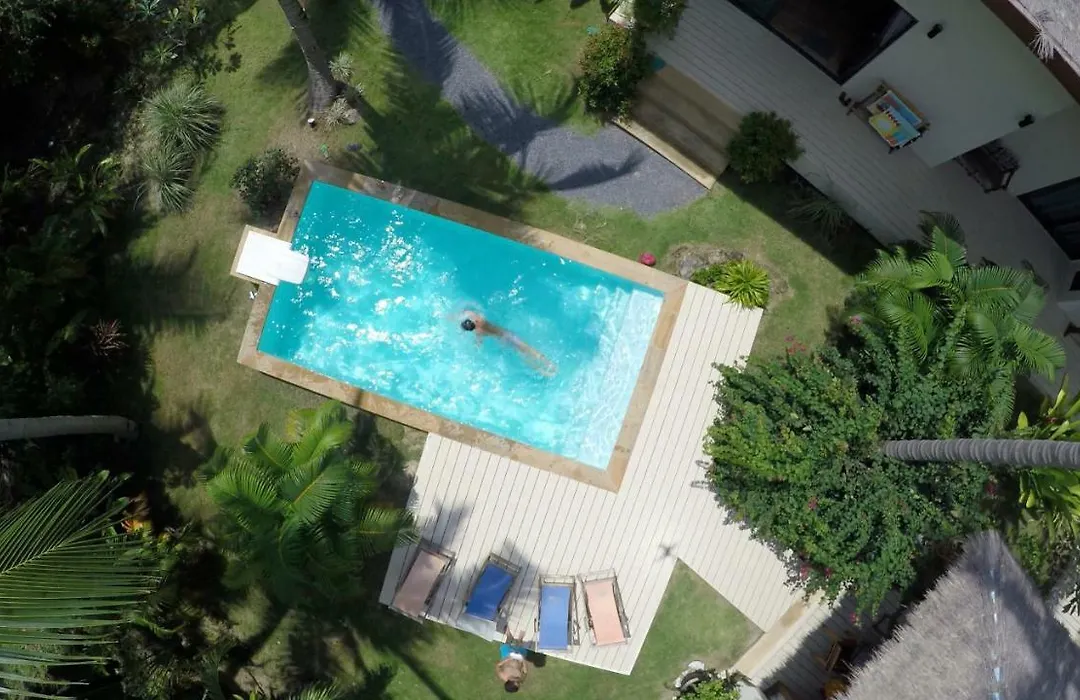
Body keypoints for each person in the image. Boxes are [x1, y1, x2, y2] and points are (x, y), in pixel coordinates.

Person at [460, 310, 557, 377]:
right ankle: (547, 365)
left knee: (524, 353)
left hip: (505, 339)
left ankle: (543, 370)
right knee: (526, 350)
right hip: (507, 335)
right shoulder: (477, 317)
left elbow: (479, 341)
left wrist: (476, 346)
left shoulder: (479, 331)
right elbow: (469, 312)